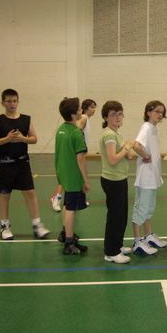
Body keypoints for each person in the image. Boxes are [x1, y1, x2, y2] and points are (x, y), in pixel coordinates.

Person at [0, 89, 50, 240]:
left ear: (18, 101)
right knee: (4, 194)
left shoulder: (26, 119)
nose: (12, 104)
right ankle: (5, 227)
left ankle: (37, 225)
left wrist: (22, 138)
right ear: (3, 103)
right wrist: (6, 139)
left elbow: (34, 139)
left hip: (22, 162)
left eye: (14, 101)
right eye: (8, 101)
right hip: (3, 163)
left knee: (30, 192)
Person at [100, 101, 135, 263]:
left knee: (121, 216)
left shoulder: (116, 134)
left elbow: (122, 155)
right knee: (115, 217)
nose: (117, 117)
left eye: (120, 113)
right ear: (106, 117)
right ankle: (111, 252)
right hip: (112, 181)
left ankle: (117, 245)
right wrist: (127, 148)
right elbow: (113, 159)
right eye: (113, 114)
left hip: (120, 179)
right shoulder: (109, 134)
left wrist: (127, 151)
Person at [131, 100, 167, 255]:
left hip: (153, 176)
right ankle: (137, 241)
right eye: (156, 111)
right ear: (148, 112)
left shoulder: (153, 128)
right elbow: (136, 145)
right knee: (141, 208)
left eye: (161, 112)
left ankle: (148, 236)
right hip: (145, 177)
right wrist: (146, 155)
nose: (159, 114)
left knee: (149, 207)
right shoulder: (146, 127)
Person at [55, 97, 90, 255]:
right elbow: (80, 158)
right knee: (71, 209)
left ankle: (65, 233)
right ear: (74, 113)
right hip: (74, 176)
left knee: (66, 205)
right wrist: (85, 180)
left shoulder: (61, 129)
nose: (81, 110)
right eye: (79, 109)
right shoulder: (77, 133)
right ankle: (69, 243)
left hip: (63, 173)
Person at [51, 99, 97, 212]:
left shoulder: (85, 119)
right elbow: (77, 127)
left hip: (79, 150)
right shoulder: (84, 118)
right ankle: (56, 198)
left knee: (70, 179)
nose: (94, 109)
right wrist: (77, 138)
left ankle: (80, 198)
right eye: (92, 107)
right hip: (77, 151)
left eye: (95, 107)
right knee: (72, 179)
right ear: (84, 109)